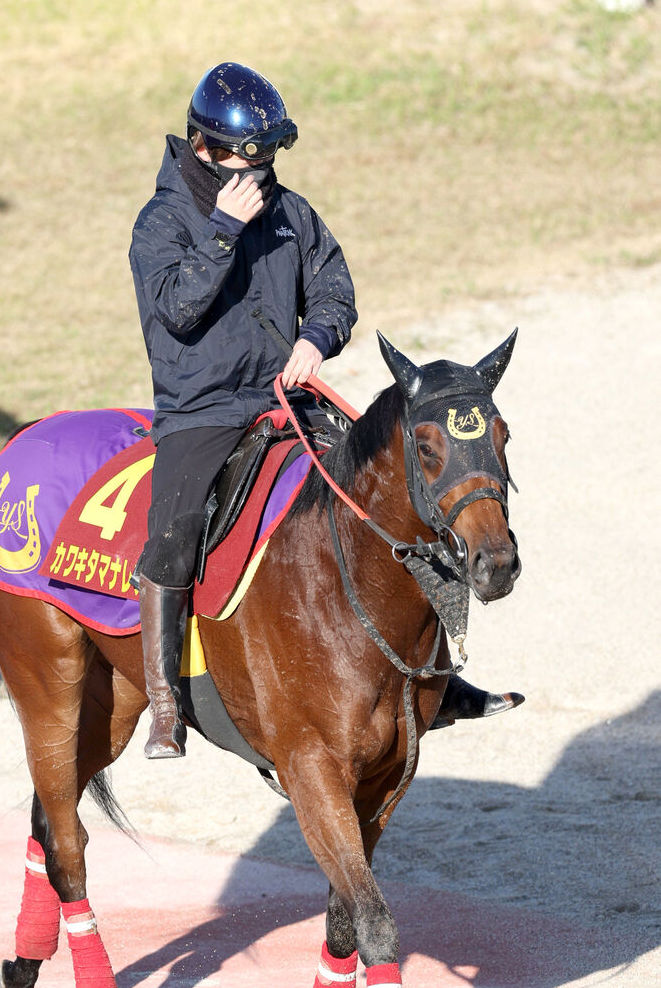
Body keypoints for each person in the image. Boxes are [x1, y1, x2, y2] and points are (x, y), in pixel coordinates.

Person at [129, 62, 520, 760]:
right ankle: (164, 703)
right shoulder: (161, 224)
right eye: (248, 161)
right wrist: (222, 231)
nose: (260, 175)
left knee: (397, 489)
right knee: (174, 528)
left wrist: (315, 337)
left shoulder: (291, 212)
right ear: (202, 148)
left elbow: (335, 292)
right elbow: (177, 313)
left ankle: (441, 674)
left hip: (290, 401)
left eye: (269, 159)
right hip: (204, 410)